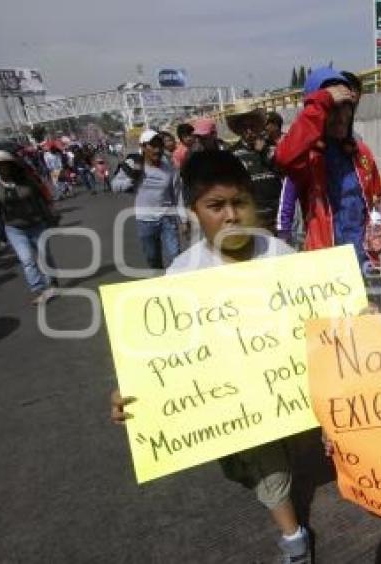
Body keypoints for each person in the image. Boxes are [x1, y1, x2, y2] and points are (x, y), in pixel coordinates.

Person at [111, 149, 311, 563]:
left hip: (271, 394)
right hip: (220, 399)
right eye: (215, 206)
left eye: (239, 202)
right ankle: (258, 477)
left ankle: (295, 541)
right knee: (238, 467)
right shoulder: (183, 272)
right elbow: (163, 349)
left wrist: (355, 320)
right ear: (193, 212)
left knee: (269, 467)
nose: (231, 215)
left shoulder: (281, 257)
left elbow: (318, 313)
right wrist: (131, 389)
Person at [275, 67, 381, 309]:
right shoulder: (307, 158)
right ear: (317, 110)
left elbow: (375, 205)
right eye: (333, 109)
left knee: (376, 338)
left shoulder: (362, 153)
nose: (342, 117)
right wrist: (323, 101)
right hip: (326, 274)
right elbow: (284, 157)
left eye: (346, 108)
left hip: (365, 267)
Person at [0, 150, 58, 305]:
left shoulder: (26, 179)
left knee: (44, 255)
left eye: (2, 165)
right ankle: (39, 289)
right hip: (14, 228)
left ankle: (52, 283)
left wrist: (50, 215)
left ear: (10, 165)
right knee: (27, 260)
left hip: (36, 223)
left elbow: (41, 197)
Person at [129, 130, 183, 269]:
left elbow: (177, 195)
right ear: (143, 147)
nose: (157, 149)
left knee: (175, 256)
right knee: (153, 259)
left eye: (159, 145)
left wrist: (184, 220)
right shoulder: (135, 166)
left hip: (167, 218)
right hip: (145, 221)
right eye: (152, 146)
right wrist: (133, 178)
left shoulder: (169, 169)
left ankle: (178, 286)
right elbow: (116, 185)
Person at [227, 101, 283, 232]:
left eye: (253, 126)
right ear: (239, 129)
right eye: (244, 127)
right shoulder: (232, 154)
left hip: (279, 214)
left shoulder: (273, 148)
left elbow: (284, 173)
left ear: (259, 126)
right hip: (253, 217)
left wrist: (264, 152)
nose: (249, 131)